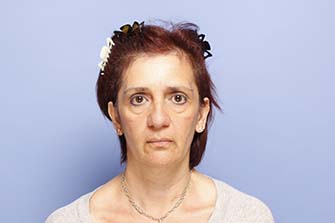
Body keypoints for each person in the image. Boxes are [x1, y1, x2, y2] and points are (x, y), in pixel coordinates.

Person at [45, 21, 275, 223]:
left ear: (201, 114)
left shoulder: (247, 216)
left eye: (177, 98)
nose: (158, 119)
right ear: (116, 117)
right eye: (139, 99)